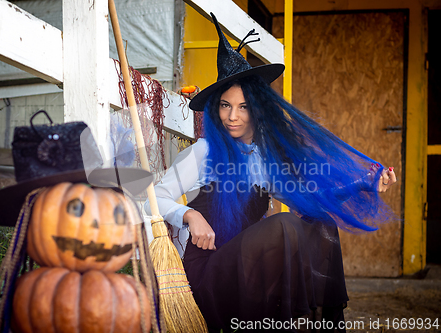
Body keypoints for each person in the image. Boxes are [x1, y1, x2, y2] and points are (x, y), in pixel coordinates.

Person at [145, 13, 396, 332]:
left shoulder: (265, 159)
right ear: (215, 109)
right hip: (210, 275)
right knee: (285, 224)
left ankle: (319, 325)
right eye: (225, 106)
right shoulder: (204, 152)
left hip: (250, 273)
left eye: (243, 106)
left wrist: (364, 184)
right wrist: (190, 216)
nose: (232, 117)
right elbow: (153, 199)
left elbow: (312, 198)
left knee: (323, 224)